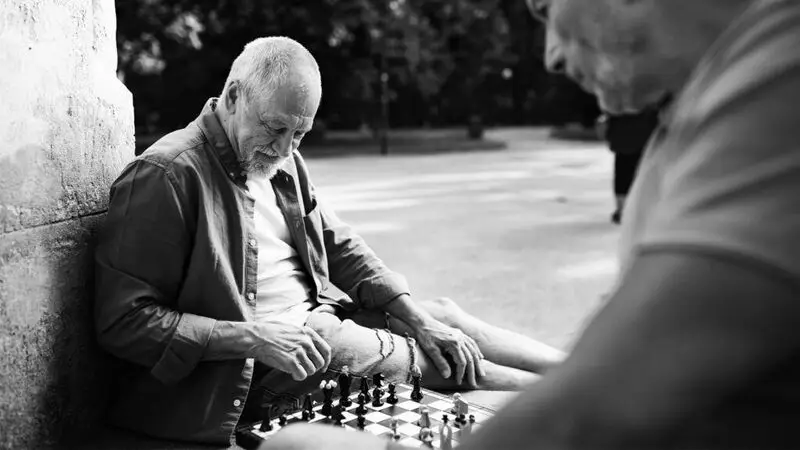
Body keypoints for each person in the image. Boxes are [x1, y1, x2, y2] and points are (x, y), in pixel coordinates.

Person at [261, 0, 800, 448]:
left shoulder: (780, 73)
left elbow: (611, 403)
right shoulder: (714, 89)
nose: (552, 57)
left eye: (545, 11)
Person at [94, 36, 564, 445]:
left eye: (300, 134)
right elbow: (123, 322)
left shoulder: (282, 159)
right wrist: (253, 337)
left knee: (441, 317)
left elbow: (339, 244)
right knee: (438, 359)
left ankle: (577, 367)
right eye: (276, 128)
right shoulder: (164, 176)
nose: (284, 149)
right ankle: (583, 394)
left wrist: (417, 318)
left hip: (316, 321)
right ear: (234, 96)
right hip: (243, 371)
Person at [598, 111, 660, 224]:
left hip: (623, 134)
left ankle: (623, 210)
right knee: (642, 172)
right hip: (645, 134)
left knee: (622, 173)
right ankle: (639, 209)